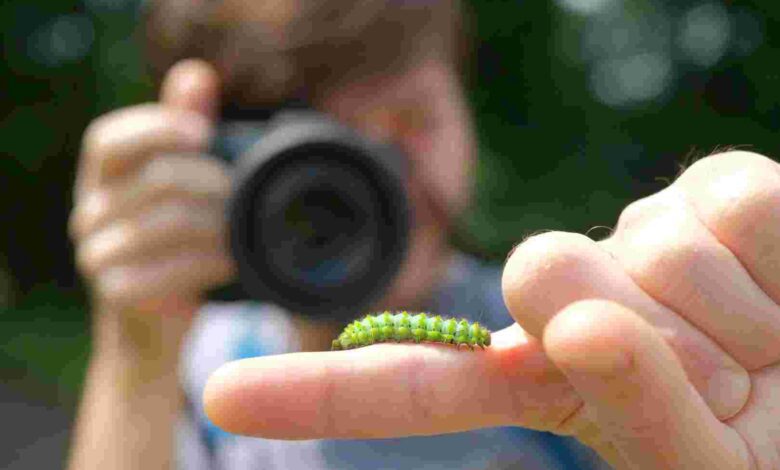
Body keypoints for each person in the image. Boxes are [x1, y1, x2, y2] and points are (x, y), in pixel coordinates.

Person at [67, 1, 779, 469]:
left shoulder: (550, 350)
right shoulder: (207, 366)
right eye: (326, 148)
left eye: (413, 119)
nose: (384, 183)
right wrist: (136, 354)